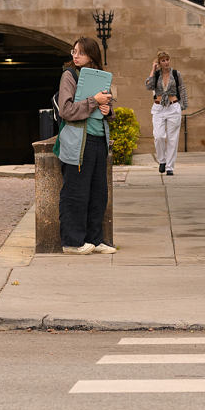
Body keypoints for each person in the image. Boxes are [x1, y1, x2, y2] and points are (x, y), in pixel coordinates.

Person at [57, 35, 114, 253]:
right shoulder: (69, 75)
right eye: (74, 52)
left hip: (99, 140)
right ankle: (72, 242)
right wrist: (94, 101)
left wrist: (107, 109)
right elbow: (66, 110)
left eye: (80, 52)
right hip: (78, 143)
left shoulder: (99, 77)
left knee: (98, 193)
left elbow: (106, 106)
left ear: (92, 55)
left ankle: (95, 239)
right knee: (76, 193)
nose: (75, 56)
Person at [145, 49, 186, 175]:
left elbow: (182, 89)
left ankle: (169, 167)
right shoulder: (156, 75)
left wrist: (182, 106)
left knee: (173, 138)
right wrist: (153, 69)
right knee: (159, 136)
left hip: (173, 107)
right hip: (158, 108)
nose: (166, 62)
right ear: (159, 62)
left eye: (167, 59)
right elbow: (148, 86)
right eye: (163, 60)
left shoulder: (176, 73)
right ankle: (162, 160)